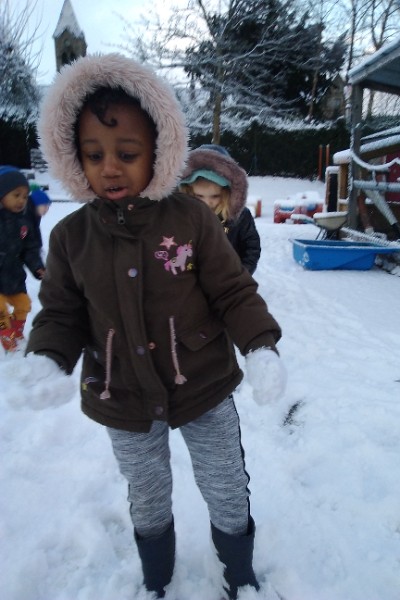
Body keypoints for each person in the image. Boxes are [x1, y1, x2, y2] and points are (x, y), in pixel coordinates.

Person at [22, 54, 285, 599]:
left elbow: (232, 290)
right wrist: (49, 357)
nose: (109, 168)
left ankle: (238, 574)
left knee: (225, 484)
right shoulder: (71, 238)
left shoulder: (191, 219)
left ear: (159, 153)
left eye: (127, 154)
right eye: (94, 154)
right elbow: (62, 312)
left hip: (203, 382)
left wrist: (260, 345)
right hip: (121, 393)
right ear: (74, 157)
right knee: (146, 493)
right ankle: (157, 580)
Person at [179, 144, 261, 274]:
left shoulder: (239, 217)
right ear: (188, 191)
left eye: (215, 196)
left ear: (227, 193)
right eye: (199, 196)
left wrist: (241, 275)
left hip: (228, 279)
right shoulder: (182, 216)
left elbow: (251, 248)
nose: (207, 203)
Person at [0, 166, 46, 353]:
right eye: (16, 195)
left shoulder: (24, 223)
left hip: (14, 277)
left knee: (24, 305)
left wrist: (37, 267)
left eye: (25, 197)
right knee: (1, 311)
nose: (21, 200)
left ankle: (16, 332)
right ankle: (7, 337)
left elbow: (30, 249)